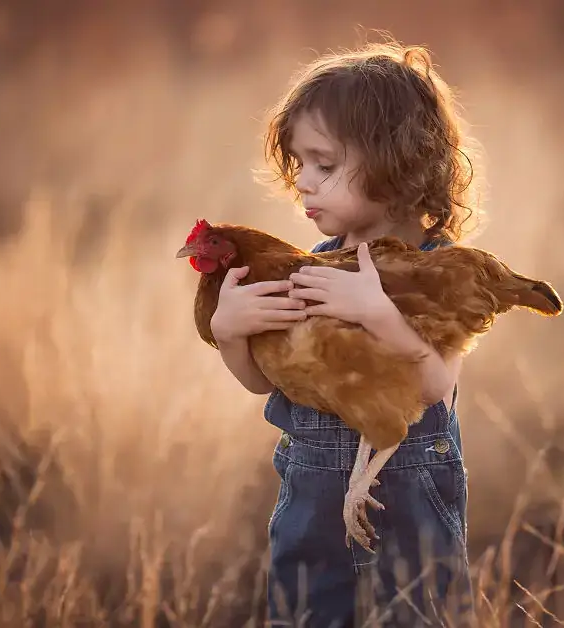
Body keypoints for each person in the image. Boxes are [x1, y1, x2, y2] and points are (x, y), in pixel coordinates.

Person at [208, 38, 481, 627]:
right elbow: (268, 385)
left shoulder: (435, 270)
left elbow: (437, 388)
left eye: (325, 166)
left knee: (414, 616)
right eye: (299, 163)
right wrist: (231, 333)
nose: (303, 182)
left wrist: (379, 314)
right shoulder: (311, 265)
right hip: (311, 498)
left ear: (394, 164)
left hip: (407, 500)